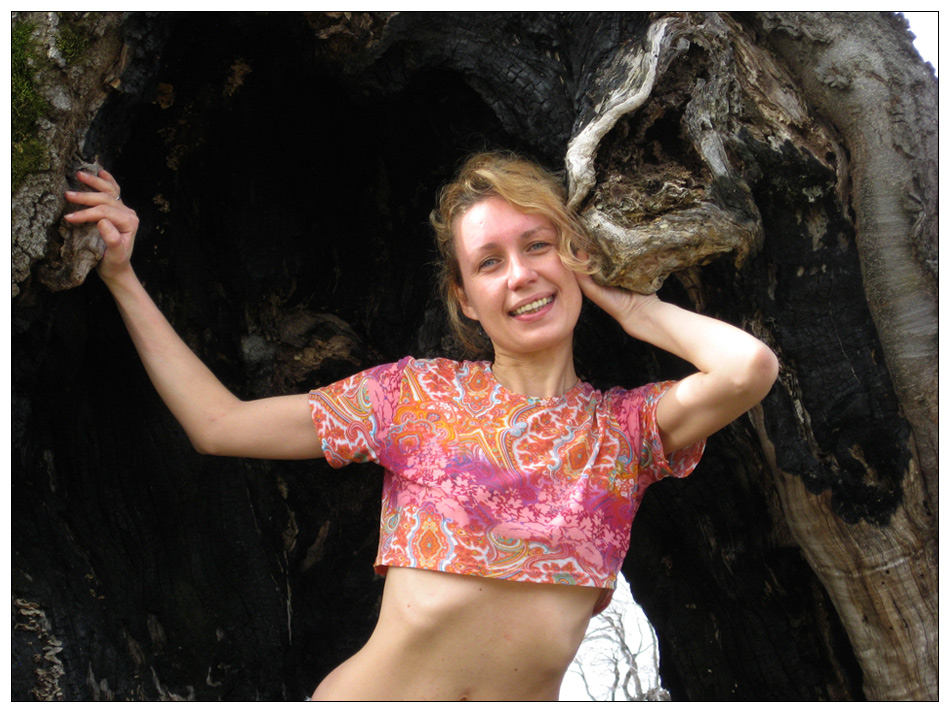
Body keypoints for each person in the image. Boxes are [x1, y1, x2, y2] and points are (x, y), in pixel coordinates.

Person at [65, 152, 778, 701]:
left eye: (539, 245)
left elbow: (748, 367)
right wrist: (122, 275)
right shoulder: (414, 395)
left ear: (576, 255)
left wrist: (627, 301)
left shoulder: (623, 432)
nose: (520, 275)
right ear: (464, 299)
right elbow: (218, 423)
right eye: (489, 263)